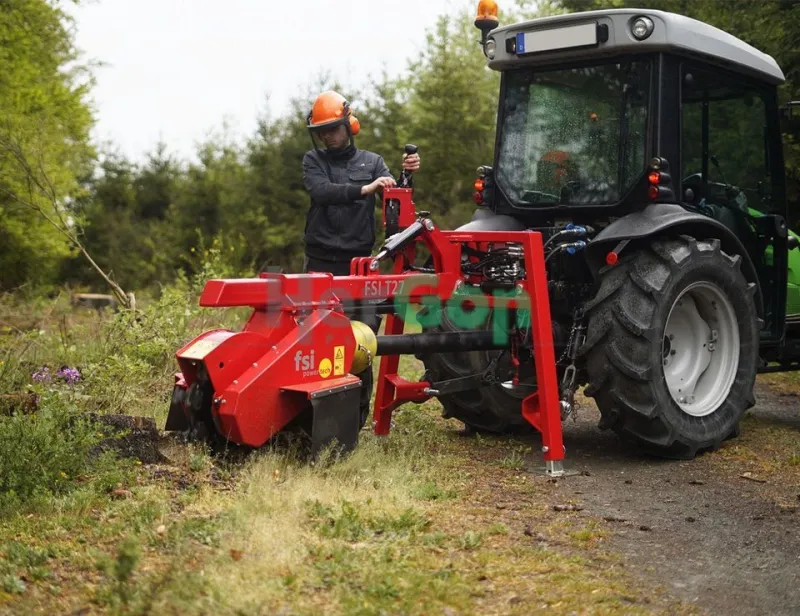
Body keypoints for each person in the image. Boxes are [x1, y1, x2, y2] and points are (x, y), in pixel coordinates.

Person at [301, 90, 420, 276]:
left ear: (349, 125)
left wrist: (407, 173)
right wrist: (366, 189)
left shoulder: (373, 162)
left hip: (358, 260)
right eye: (322, 132)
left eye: (333, 129)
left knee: (356, 307)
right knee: (316, 306)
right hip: (319, 260)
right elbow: (321, 191)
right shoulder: (314, 159)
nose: (327, 136)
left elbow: (396, 203)